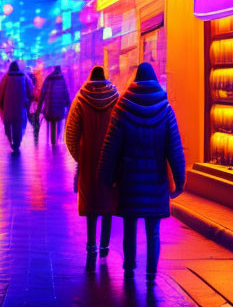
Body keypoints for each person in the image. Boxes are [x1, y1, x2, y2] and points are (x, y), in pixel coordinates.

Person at [98, 62, 185, 285]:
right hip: (156, 184)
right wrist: (180, 181)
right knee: (153, 231)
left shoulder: (122, 108)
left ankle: (128, 269)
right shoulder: (166, 110)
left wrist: (106, 177)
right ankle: (151, 273)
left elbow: (111, 146)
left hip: (129, 182)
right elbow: (174, 149)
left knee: (129, 227)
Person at [65, 66, 119, 271]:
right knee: (107, 201)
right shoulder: (115, 98)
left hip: (88, 158)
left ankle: (91, 244)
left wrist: (80, 157)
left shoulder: (81, 99)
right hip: (110, 157)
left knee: (91, 203)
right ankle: (105, 245)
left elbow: (71, 132)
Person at [0, 61, 35, 153]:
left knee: (8, 125)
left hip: (8, 107)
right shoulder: (24, 77)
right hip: (20, 107)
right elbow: (31, 90)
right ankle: (17, 143)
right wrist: (28, 101)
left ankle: (11, 141)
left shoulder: (6, 78)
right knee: (19, 126)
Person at [38, 65, 71, 144]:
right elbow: (65, 92)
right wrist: (67, 103)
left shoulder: (48, 78)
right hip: (59, 107)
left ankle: (52, 140)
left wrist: (40, 106)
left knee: (52, 121)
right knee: (59, 120)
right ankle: (57, 138)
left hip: (49, 107)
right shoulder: (62, 79)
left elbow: (43, 92)